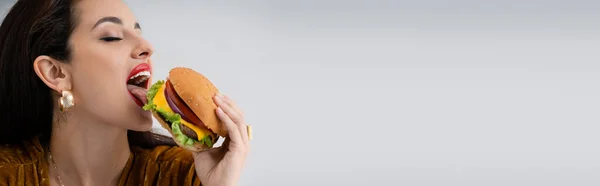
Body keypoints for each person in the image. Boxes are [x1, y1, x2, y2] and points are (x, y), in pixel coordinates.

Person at [0, 0, 251, 185]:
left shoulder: (185, 175)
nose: (147, 47)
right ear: (56, 73)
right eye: (112, 37)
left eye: (139, 33)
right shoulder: (7, 174)